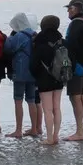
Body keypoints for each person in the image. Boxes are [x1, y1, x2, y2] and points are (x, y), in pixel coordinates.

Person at [30, 15, 67, 145]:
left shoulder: (39, 41)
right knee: (57, 108)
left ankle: (49, 138)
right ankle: (56, 136)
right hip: (59, 78)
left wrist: (36, 76)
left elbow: (33, 64)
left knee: (47, 109)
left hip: (44, 78)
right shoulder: (62, 41)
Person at [63, 0, 83, 141]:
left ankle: (79, 132)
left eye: (69, 9)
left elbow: (72, 46)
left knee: (75, 97)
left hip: (77, 65)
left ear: (75, 9)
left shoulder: (76, 24)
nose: (68, 12)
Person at [4, 12, 40, 139]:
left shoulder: (19, 36)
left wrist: (9, 38)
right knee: (31, 100)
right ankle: (34, 128)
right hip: (33, 72)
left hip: (20, 72)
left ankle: (18, 130)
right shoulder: (34, 34)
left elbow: (8, 49)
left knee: (18, 100)